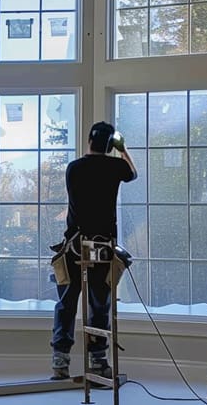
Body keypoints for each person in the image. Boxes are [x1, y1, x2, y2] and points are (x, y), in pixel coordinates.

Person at [50, 122, 137, 381]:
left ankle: (60, 362)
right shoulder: (116, 167)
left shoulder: (73, 168)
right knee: (100, 303)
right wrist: (122, 149)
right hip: (102, 246)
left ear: (89, 140)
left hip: (74, 246)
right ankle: (98, 361)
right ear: (111, 145)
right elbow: (132, 173)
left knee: (66, 303)